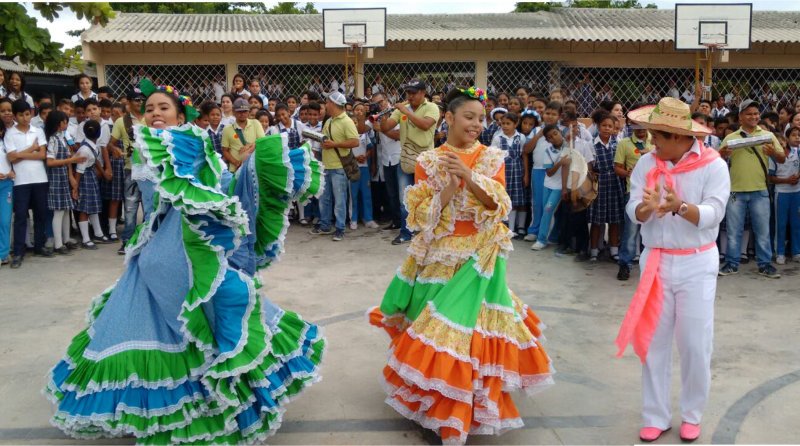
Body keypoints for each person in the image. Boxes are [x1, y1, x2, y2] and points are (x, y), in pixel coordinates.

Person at [46, 78, 326, 443]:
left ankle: (217, 392)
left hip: (188, 247)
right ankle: (177, 398)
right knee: (143, 316)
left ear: (180, 115)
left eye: (164, 108)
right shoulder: (147, 145)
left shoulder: (191, 144)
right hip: (155, 245)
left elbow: (217, 185)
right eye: (149, 109)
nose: (155, 113)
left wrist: (247, 169)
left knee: (202, 312)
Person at [368, 87, 554, 444]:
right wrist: (450, 187)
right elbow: (420, 217)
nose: (476, 124)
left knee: (468, 335)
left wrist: (469, 177)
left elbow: (499, 205)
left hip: (480, 257)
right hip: (440, 255)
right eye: (469, 117)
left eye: (481, 118)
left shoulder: (490, 158)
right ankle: (438, 407)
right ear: (448, 118)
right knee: (438, 333)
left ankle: (465, 408)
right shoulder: (428, 161)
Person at [616, 97, 729, 443]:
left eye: (658, 137)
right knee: (653, 342)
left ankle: (692, 415)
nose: (652, 143)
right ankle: (656, 415)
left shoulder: (713, 165)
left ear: (680, 137)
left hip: (697, 261)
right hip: (656, 262)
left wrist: (679, 206)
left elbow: (714, 213)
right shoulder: (646, 163)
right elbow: (632, 207)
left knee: (695, 344)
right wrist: (646, 210)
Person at [718, 100, 785, 278]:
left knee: (762, 231)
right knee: (734, 230)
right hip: (735, 192)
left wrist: (773, 154)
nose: (754, 117)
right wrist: (722, 155)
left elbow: (782, 159)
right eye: (749, 114)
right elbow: (717, 160)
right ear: (740, 117)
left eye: (756, 113)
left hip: (760, 190)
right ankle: (732, 263)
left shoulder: (768, 135)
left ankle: (765, 265)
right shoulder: (731, 138)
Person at [380, 79, 440, 245]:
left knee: (426, 199)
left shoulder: (432, 107)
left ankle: (427, 233)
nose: (410, 96)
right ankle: (406, 233)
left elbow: (425, 125)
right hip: (405, 161)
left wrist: (405, 111)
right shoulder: (402, 110)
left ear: (423, 93)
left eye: (414, 93)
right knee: (404, 199)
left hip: (426, 162)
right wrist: (383, 116)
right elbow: (386, 128)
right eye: (408, 93)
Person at [5, 99, 54, 267]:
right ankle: (18, 252)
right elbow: (11, 158)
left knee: (40, 213)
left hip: (40, 178)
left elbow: (42, 155)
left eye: (27, 114)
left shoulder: (37, 130)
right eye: (21, 115)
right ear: (15, 116)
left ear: (31, 113)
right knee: (21, 216)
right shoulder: (10, 133)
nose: (25, 118)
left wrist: (21, 154)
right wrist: (31, 149)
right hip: (20, 180)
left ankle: (39, 246)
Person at [311, 91, 359, 241]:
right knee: (324, 199)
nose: (325, 105)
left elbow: (355, 141)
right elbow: (325, 140)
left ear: (333, 104)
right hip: (326, 166)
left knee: (339, 200)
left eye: (327, 102)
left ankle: (340, 228)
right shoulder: (329, 121)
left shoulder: (347, 121)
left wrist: (335, 144)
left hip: (339, 167)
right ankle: (325, 225)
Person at [108, 86, 147, 254]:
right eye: (137, 100)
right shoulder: (121, 121)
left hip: (150, 169)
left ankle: (147, 238)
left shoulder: (151, 118)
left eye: (142, 100)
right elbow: (111, 143)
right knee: (130, 207)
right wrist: (114, 149)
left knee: (150, 206)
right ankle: (128, 240)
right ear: (129, 103)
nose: (140, 103)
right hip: (130, 169)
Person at [614, 125, 654, 280]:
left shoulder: (656, 142)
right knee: (630, 232)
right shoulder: (624, 143)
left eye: (644, 125)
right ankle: (625, 264)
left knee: (651, 230)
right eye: (637, 125)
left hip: (654, 193)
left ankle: (651, 266)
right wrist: (628, 173)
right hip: (634, 192)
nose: (641, 129)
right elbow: (617, 167)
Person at [45, 111, 84, 254]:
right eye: (64, 122)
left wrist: (71, 177)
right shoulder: (53, 139)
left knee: (66, 209)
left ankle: (66, 239)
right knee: (59, 211)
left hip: (63, 177)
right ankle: (58, 244)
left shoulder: (62, 138)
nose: (66, 125)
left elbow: (67, 161)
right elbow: (50, 162)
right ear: (58, 123)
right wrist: (71, 161)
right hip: (55, 178)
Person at [523, 101, 561, 242]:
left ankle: (549, 234)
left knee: (551, 205)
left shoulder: (560, 132)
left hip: (555, 173)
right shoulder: (535, 130)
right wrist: (539, 134)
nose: (550, 116)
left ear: (559, 116)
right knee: (537, 202)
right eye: (547, 113)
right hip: (538, 171)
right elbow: (526, 150)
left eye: (554, 114)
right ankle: (534, 230)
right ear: (542, 114)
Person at [589, 111, 624, 262]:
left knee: (615, 219)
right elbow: (589, 166)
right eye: (604, 125)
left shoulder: (618, 144)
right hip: (599, 184)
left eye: (610, 126)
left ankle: (614, 249)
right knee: (597, 220)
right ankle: (594, 250)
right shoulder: (591, 144)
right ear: (598, 126)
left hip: (615, 184)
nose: (607, 128)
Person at [72, 120, 108, 249]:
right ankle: (86, 239)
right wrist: (76, 187)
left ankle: (98, 233)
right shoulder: (85, 150)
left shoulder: (91, 146)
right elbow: (79, 170)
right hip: (85, 179)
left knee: (92, 206)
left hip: (90, 176)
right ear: (99, 133)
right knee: (85, 208)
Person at [491, 112, 527, 235]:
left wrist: (525, 173)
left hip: (517, 170)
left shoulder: (520, 137)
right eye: (503, 124)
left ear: (515, 124)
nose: (505, 126)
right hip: (504, 171)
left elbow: (524, 155)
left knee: (518, 198)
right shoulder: (498, 138)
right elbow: (493, 156)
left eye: (508, 123)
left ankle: (520, 227)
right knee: (507, 197)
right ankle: (510, 228)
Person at [769, 126, 800, 264]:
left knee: (796, 223)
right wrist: (787, 180)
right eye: (777, 143)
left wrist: (797, 177)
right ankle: (780, 252)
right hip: (781, 193)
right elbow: (770, 178)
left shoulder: (797, 152)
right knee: (781, 224)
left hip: (796, 193)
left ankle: (796, 251)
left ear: (786, 141)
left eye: (782, 142)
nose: (781, 145)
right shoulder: (773, 157)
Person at [349, 102, 377, 230]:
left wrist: (365, 156)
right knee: (353, 194)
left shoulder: (366, 133)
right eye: (357, 110)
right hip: (353, 168)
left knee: (366, 193)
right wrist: (355, 158)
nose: (359, 112)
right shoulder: (348, 134)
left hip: (364, 167)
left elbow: (371, 148)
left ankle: (368, 218)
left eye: (362, 110)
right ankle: (353, 218)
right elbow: (345, 151)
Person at [221, 97, 265, 173]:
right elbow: (225, 151)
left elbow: (263, 142)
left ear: (248, 112)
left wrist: (249, 146)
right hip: (235, 169)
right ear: (234, 112)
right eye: (239, 112)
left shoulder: (256, 123)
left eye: (245, 111)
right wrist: (235, 162)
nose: (242, 114)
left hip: (254, 167)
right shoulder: (227, 129)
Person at [0, 98, 13, 267]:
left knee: (4, 220)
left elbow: (13, 160)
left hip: (7, 185)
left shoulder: (8, 139)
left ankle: (3, 253)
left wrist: (12, 172)